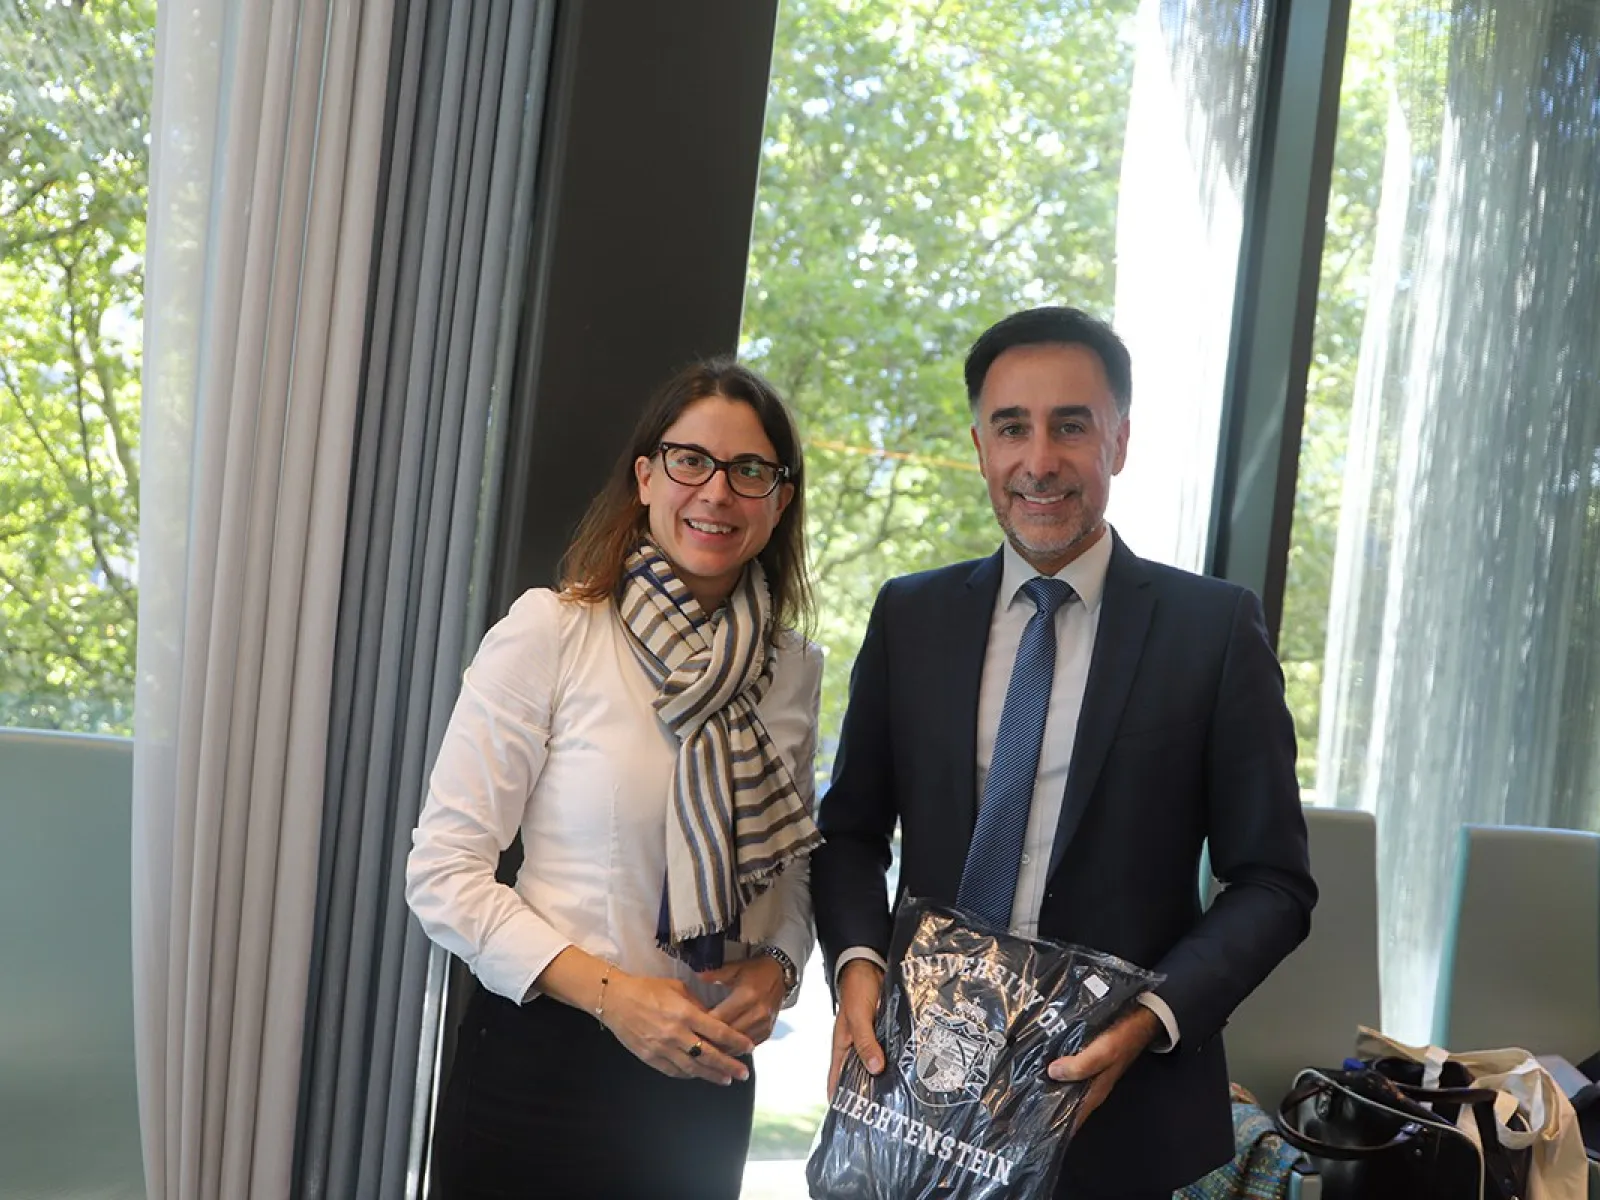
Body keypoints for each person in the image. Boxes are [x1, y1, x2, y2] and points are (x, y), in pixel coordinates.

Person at [812, 306, 1318, 1199]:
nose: (1038, 461)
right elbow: (849, 833)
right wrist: (858, 966)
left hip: (1116, 1113)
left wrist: (1149, 1021)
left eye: (1070, 426)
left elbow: (1273, 882)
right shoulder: (910, 618)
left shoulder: (1213, 631)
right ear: (978, 447)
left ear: (1118, 442)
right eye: (1012, 427)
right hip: (916, 1093)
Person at [405, 359, 822, 1200]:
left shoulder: (791, 670)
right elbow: (442, 874)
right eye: (689, 460)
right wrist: (616, 998)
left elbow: (792, 868)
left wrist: (778, 966)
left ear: (779, 503)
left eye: (750, 472)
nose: (716, 492)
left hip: (706, 1079)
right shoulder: (553, 632)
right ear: (645, 477)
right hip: (545, 1065)